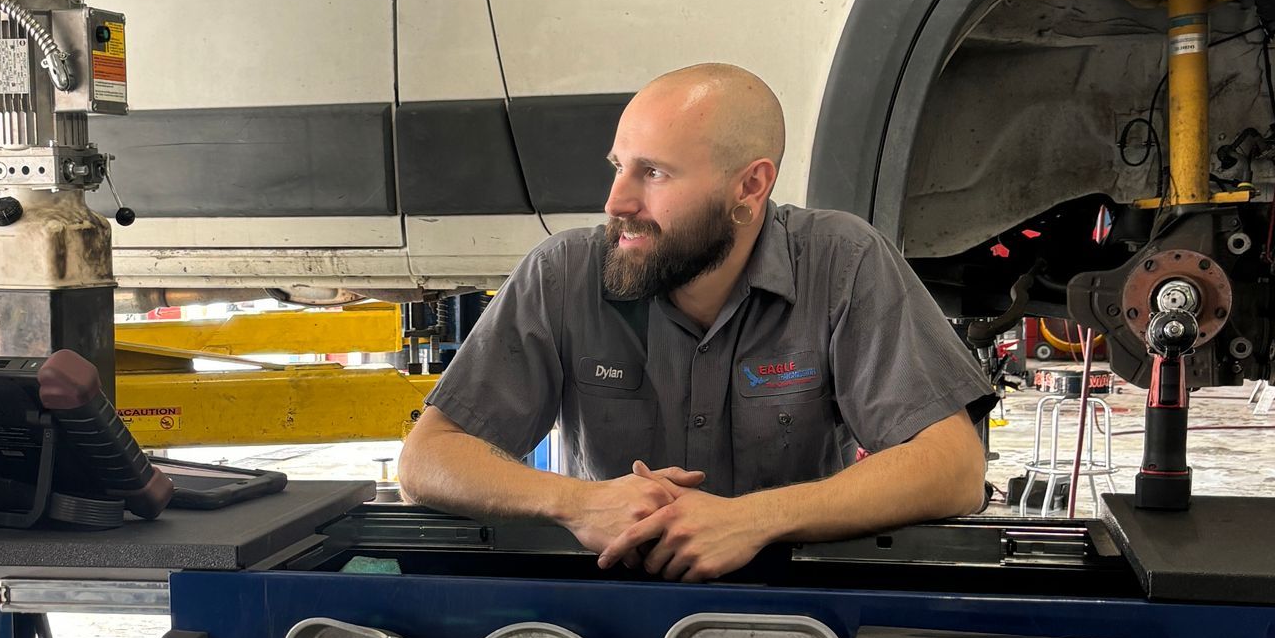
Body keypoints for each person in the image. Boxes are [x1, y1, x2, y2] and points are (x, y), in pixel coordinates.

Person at [397, 64, 991, 580]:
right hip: (604, 608)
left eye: (653, 173)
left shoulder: (843, 262)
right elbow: (427, 460)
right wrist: (578, 503)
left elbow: (954, 467)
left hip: (793, 605)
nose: (617, 201)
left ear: (750, 186)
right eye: (618, 166)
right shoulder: (563, 273)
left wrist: (749, 520)